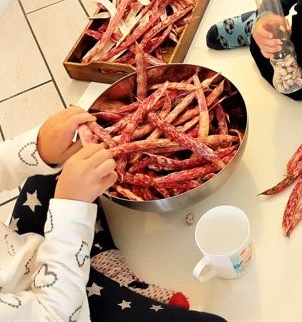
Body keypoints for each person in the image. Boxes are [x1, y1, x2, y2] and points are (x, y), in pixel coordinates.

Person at [1, 106, 226, 321]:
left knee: (67, 164)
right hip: (59, 309)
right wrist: (71, 205)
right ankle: (104, 276)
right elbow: (54, 315)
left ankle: (98, 262)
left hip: (18, 259)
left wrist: (40, 149)